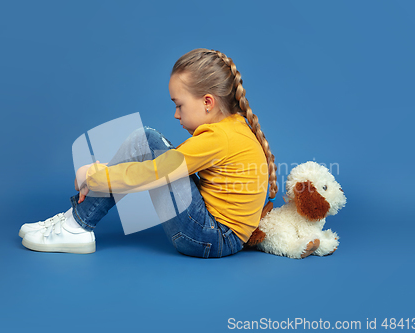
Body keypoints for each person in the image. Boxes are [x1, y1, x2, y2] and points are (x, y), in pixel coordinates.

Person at [19, 48, 278, 258]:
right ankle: (75, 221)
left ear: (208, 102)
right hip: (220, 236)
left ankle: (77, 225)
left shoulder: (218, 138)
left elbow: (153, 174)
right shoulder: (234, 128)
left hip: (210, 238)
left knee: (146, 140)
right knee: (151, 145)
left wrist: (94, 175)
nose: (176, 114)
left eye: (179, 105)